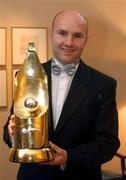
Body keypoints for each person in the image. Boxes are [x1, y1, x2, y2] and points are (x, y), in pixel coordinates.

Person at [3, 10, 120, 180]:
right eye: (62, 33)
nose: (69, 42)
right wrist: (12, 135)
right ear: (51, 35)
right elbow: (10, 129)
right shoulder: (24, 76)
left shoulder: (104, 85)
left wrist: (68, 157)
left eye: (77, 35)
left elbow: (109, 143)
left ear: (86, 40)